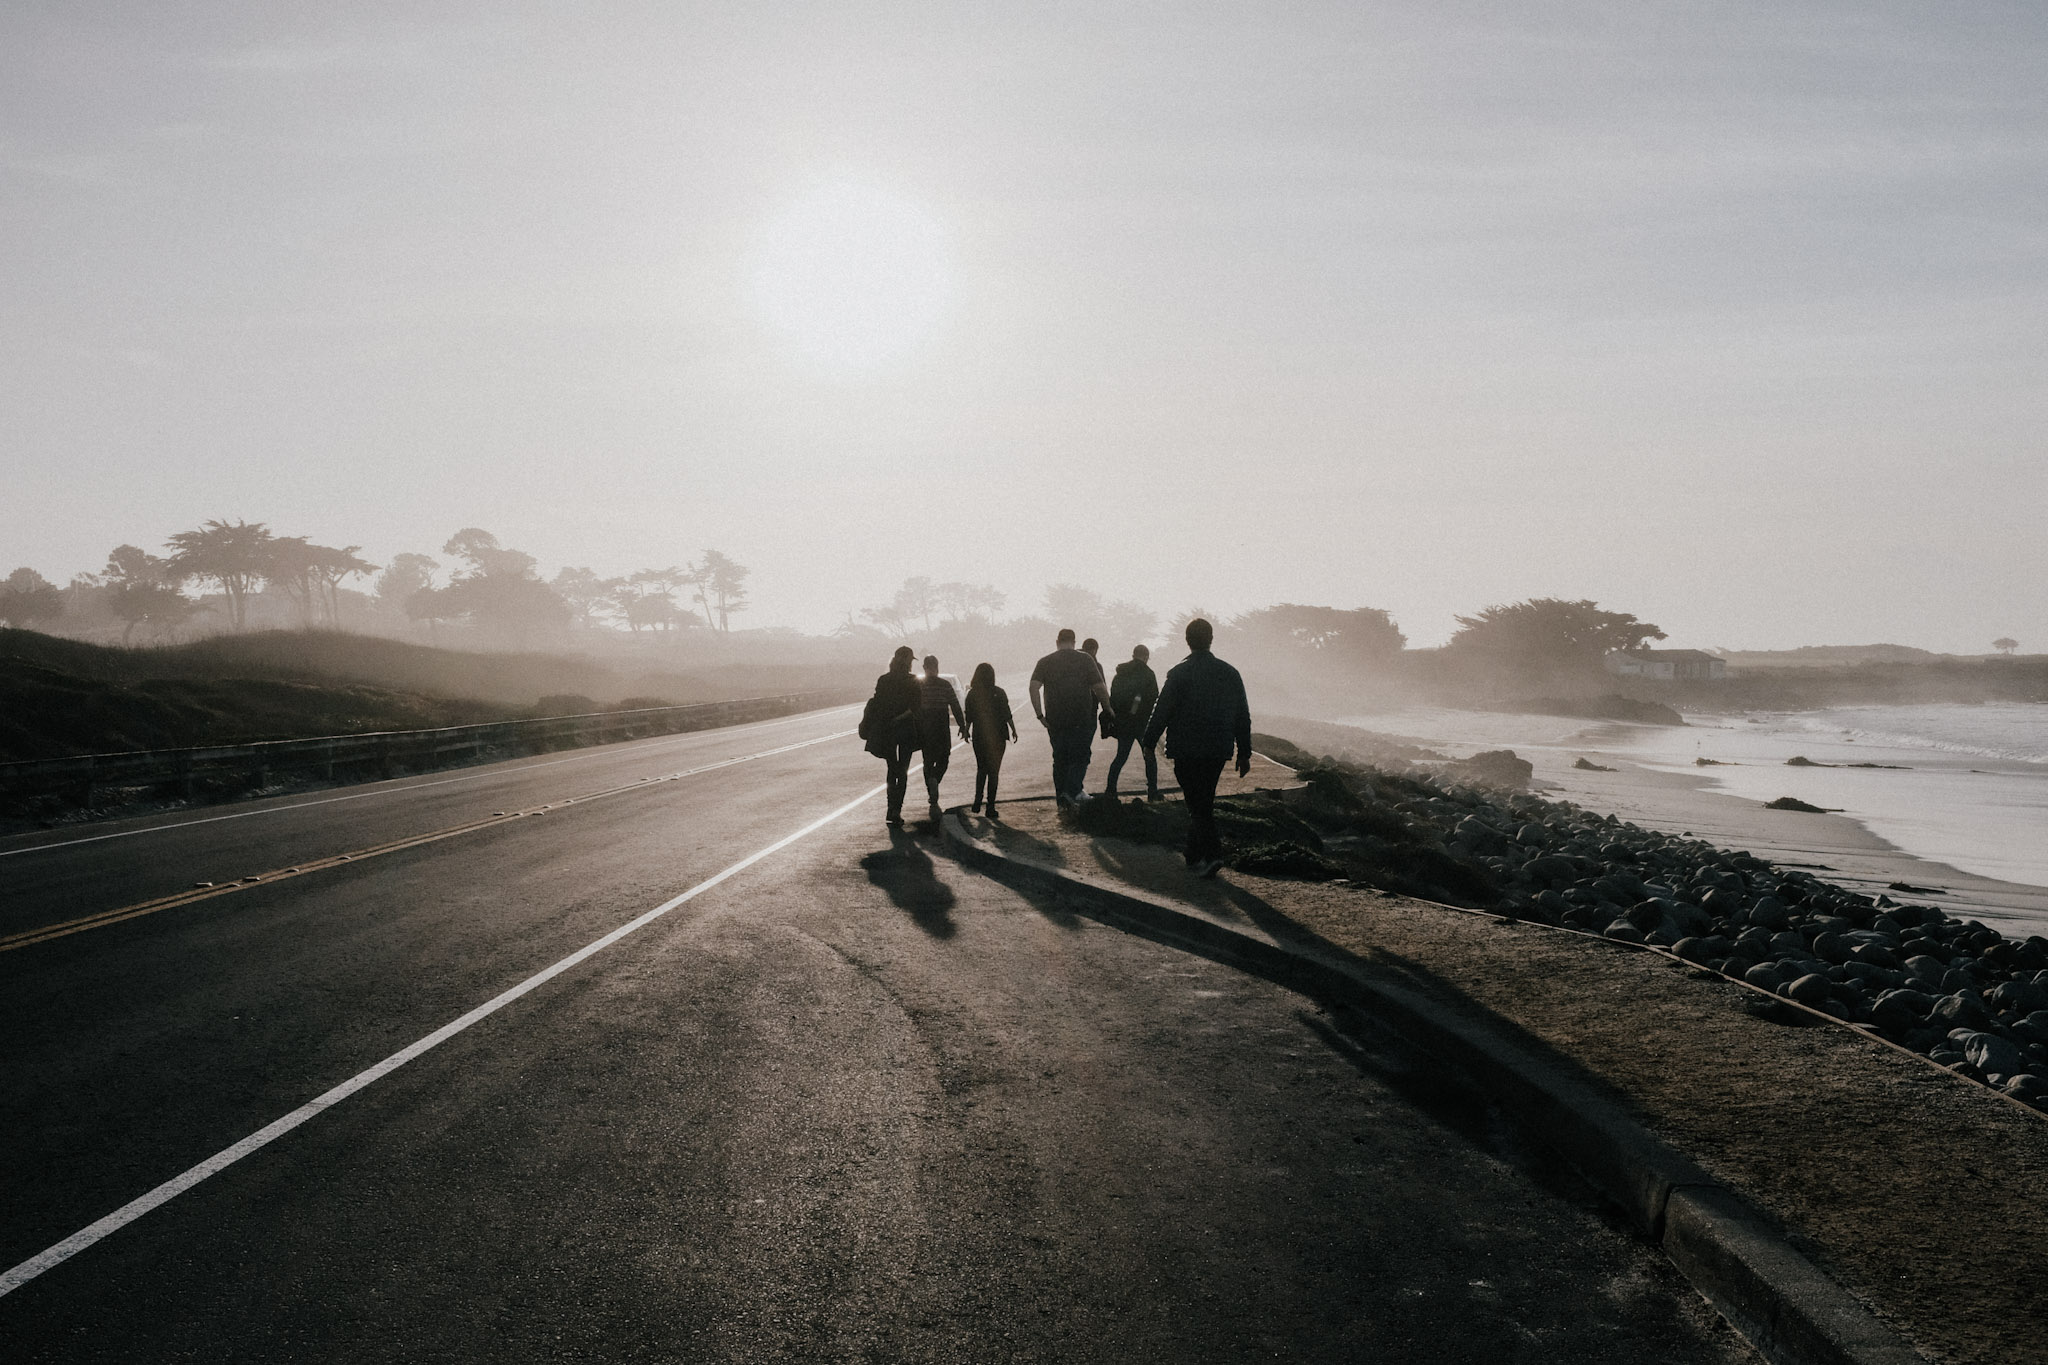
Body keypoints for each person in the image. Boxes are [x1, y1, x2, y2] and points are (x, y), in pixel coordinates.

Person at [1142, 618, 1251, 876]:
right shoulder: (1230, 672)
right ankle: (1192, 853)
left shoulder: (1178, 673)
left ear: (1187, 640)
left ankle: (1213, 855)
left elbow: (1162, 711)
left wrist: (1148, 741)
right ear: (1211, 639)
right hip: (1217, 749)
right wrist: (1244, 752)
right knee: (1203, 799)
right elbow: (1242, 715)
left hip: (1186, 749)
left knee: (1197, 802)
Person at [1029, 627, 1113, 807]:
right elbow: (1099, 687)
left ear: (1057, 642)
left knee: (1060, 758)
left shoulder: (1045, 661)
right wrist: (1108, 709)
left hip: (1054, 718)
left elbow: (1033, 687)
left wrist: (1039, 715)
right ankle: (1073, 791)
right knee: (1080, 756)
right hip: (1080, 718)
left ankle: (1061, 796)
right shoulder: (1085, 659)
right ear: (1074, 643)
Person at [860, 645, 922, 827]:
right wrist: (900, 718)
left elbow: (877, 703)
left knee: (891, 768)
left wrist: (889, 719)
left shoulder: (884, 680)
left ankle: (890, 807)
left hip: (886, 729)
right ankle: (897, 810)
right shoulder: (913, 681)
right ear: (908, 661)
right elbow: (915, 708)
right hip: (906, 730)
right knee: (902, 770)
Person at [1102, 643, 1161, 800]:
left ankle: (1110, 790)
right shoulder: (1148, 674)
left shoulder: (1120, 673)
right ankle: (1153, 792)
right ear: (1146, 657)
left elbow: (1113, 697)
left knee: (1121, 756)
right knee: (1149, 756)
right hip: (1142, 723)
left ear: (1133, 655)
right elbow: (1154, 696)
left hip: (1124, 722)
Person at [962, 662, 1018, 819]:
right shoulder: (999, 693)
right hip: (998, 736)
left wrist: (966, 731)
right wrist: (1013, 730)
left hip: (979, 736)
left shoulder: (972, 694)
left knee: (981, 768)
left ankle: (977, 799)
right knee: (994, 771)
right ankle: (990, 806)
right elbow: (1007, 714)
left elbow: (969, 716)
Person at [915, 655, 966, 822]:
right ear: (937, 667)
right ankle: (936, 779)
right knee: (944, 758)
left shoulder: (919, 686)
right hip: (941, 727)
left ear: (924, 667)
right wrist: (962, 726)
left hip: (925, 728)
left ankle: (931, 788)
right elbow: (956, 706)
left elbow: (913, 707)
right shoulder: (945, 685)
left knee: (927, 761)